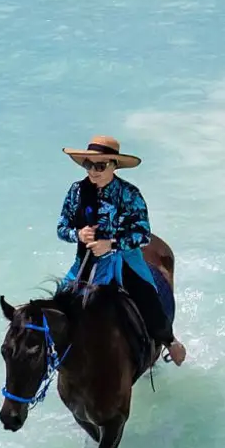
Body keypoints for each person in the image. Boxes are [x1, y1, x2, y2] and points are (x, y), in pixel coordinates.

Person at [57, 135, 186, 366]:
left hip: (124, 261)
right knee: (57, 304)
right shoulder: (76, 191)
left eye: (100, 165)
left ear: (114, 165)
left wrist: (111, 244)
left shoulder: (130, 195)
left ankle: (170, 341)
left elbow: (143, 234)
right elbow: (61, 228)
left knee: (147, 297)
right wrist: (77, 234)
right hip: (85, 262)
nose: (93, 171)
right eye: (88, 164)